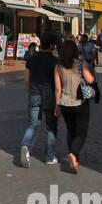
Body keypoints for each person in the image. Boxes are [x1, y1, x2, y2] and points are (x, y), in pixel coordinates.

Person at [54, 38, 96, 175]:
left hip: (65, 104)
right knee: (81, 132)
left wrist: (57, 106)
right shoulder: (80, 64)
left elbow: (57, 89)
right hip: (80, 103)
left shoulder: (58, 67)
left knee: (70, 130)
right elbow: (90, 80)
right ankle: (73, 154)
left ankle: (74, 160)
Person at [19, 32, 59, 167]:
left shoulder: (31, 59)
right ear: (52, 45)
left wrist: (29, 90)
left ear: (40, 43)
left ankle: (25, 146)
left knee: (32, 124)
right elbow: (58, 81)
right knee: (51, 126)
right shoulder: (55, 61)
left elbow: (26, 79)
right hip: (50, 95)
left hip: (34, 93)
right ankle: (50, 156)